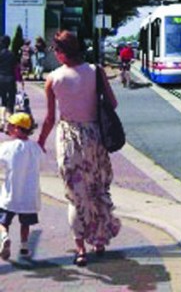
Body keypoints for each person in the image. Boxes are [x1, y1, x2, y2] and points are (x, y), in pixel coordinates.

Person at [37, 30, 121, 267]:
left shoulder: (53, 79)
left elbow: (49, 118)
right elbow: (113, 103)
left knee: (75, 195)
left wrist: (41, 142)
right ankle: (100, 241)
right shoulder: (96, 72)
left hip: (69, 138)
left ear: (62, 53)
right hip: (95, 136)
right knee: (97, 189)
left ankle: (80, 248)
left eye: (56, 50)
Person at [0, 112, 43, 260]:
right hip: (29, 196)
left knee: (2, 222)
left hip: (10, 194)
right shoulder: (35, 148)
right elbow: (41, 161)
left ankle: (4, 237)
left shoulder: (7, 147)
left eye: (11, 126)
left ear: (17, 129)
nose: (8, 127)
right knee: (25, 224)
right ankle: (24, 247)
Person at [0, 36, 19, 125]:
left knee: (3, 99)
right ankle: (10, 120)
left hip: (1, 79)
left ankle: (2, 120)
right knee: (11, 100)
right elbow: (16, 68)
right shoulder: (12, 54)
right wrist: (19, 79)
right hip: (11, 79)